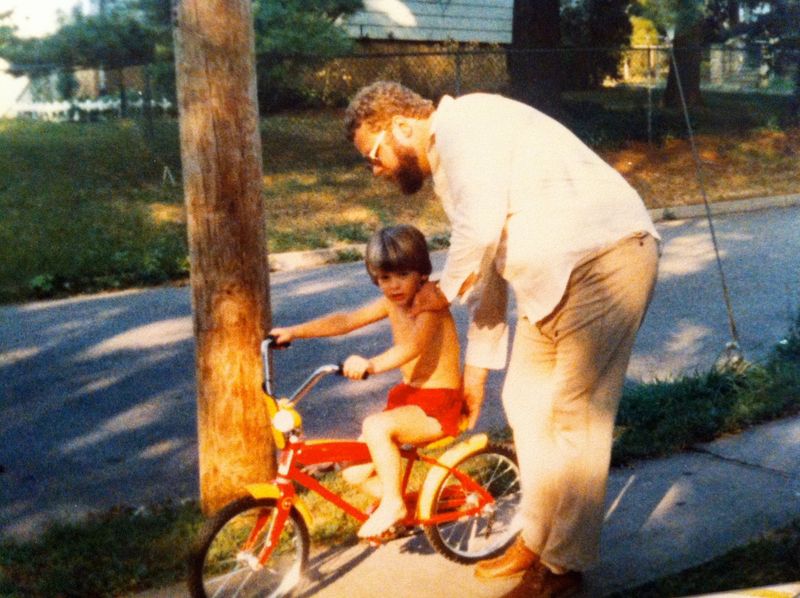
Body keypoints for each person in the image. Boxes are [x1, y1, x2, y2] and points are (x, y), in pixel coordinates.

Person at [344, 81, 660, 597]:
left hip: (606, 260)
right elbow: (487, 272)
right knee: (523, 401)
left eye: (373, 155)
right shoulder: (453, 166)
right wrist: (475, 378)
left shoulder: (467, 125)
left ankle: (563, 568)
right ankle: (535, 540)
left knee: (575, 416)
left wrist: (441, 291)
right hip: (551, 282)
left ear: (401, 125)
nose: (375, 169)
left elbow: (480, 236)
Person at [270, 224, 463, 539]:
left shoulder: (429, 304)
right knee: (353, 470)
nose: (394, 285)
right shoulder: (391, 303)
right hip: (409, 400)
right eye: (385, 278)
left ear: (421, 273)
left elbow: (412, 347)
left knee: (376, 426)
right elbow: (346, 321)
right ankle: (411, 508)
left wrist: (370, 364)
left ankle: (393, 504)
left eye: (402, 275)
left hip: (438, 404)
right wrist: (294, 331)